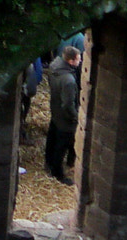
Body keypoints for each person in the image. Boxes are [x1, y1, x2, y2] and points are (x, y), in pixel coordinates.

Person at [44, 47, 82, 183]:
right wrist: (75, 117)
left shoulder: (54, 66)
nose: (80, 60)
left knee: (52, 137)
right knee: (62, 144)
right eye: (78, 58)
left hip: (55, 109)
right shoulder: (69, 80)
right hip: (65, 117)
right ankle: (57, 173)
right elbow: (68, 104)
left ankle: (48, 163)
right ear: (71, 61)